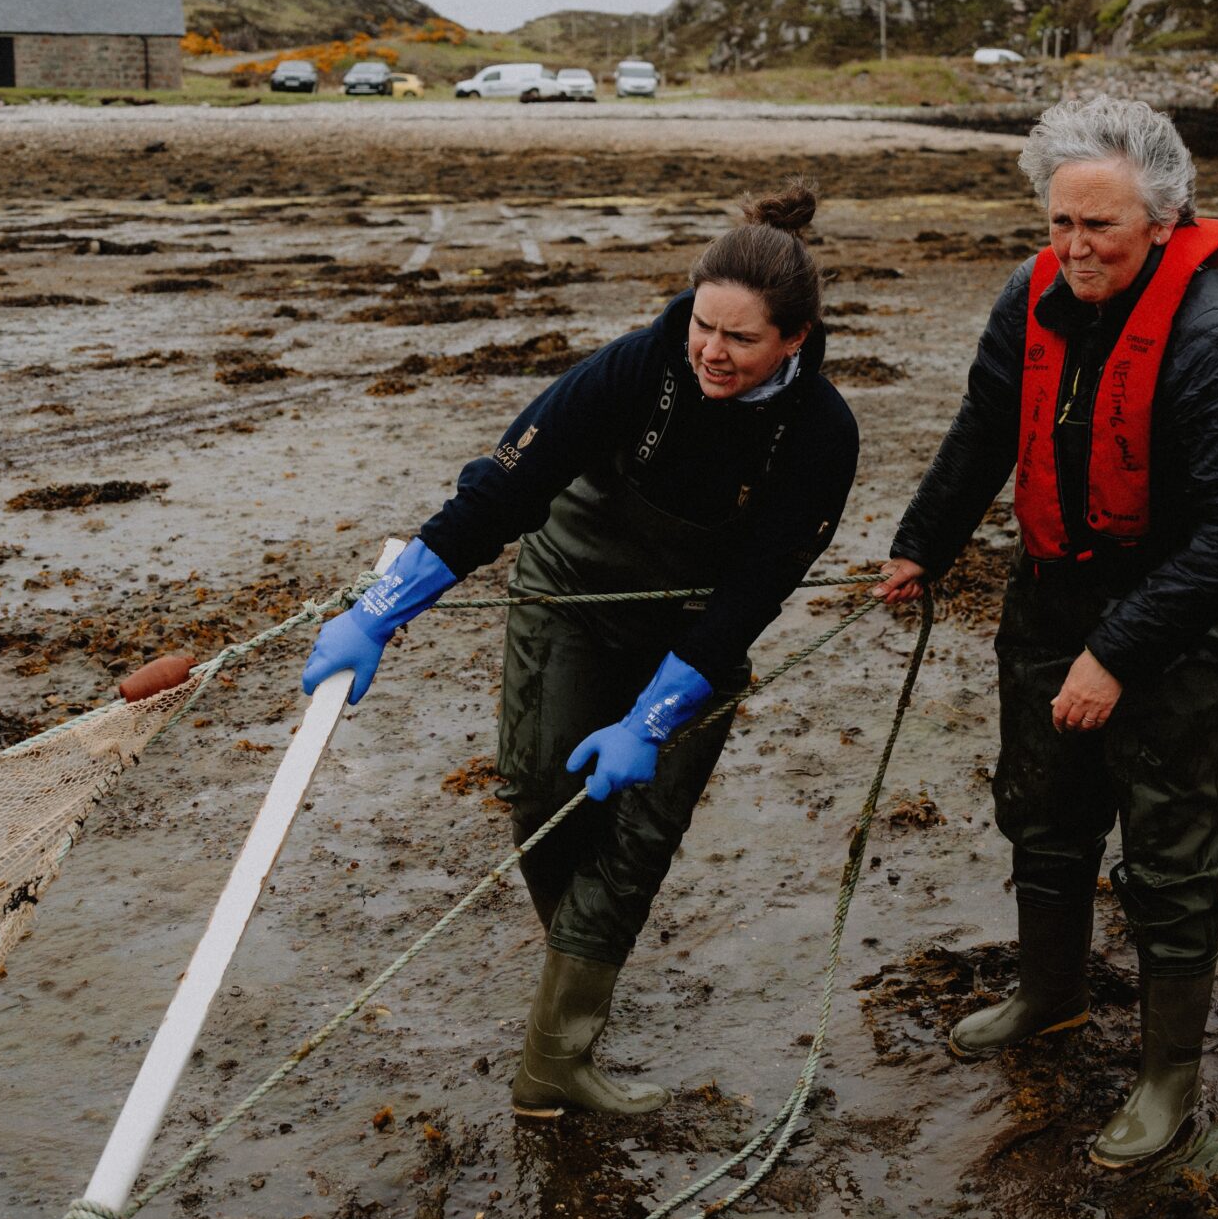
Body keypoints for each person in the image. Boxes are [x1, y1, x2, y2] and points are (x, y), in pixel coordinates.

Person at [303, 188, 859, 1119]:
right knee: (542, 793)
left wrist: (650, 716)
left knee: (639, 832)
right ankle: (582, 960)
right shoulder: (635, 368)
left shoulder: (821, 434)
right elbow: (499, 495)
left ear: (794, 338)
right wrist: (379, 611)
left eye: (741, 339)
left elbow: (753, 593)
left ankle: (553, 1060)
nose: (712, 352)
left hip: (692, 629)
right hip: (570, 593)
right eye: (702, 328)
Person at [877, 97, 1218, 1169]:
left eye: (1098, 226)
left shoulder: (1212, 339)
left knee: (1171, 851)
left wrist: (1118, 654)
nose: (1074, 247)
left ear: (1162, 218)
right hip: (1057, 586)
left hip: (1190, 614)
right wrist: (922, 541)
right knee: (1042, 808)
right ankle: (1051, 996)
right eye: (1060, 222)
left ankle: (1164, 1076)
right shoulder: (1033, 293)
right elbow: (983, 425)